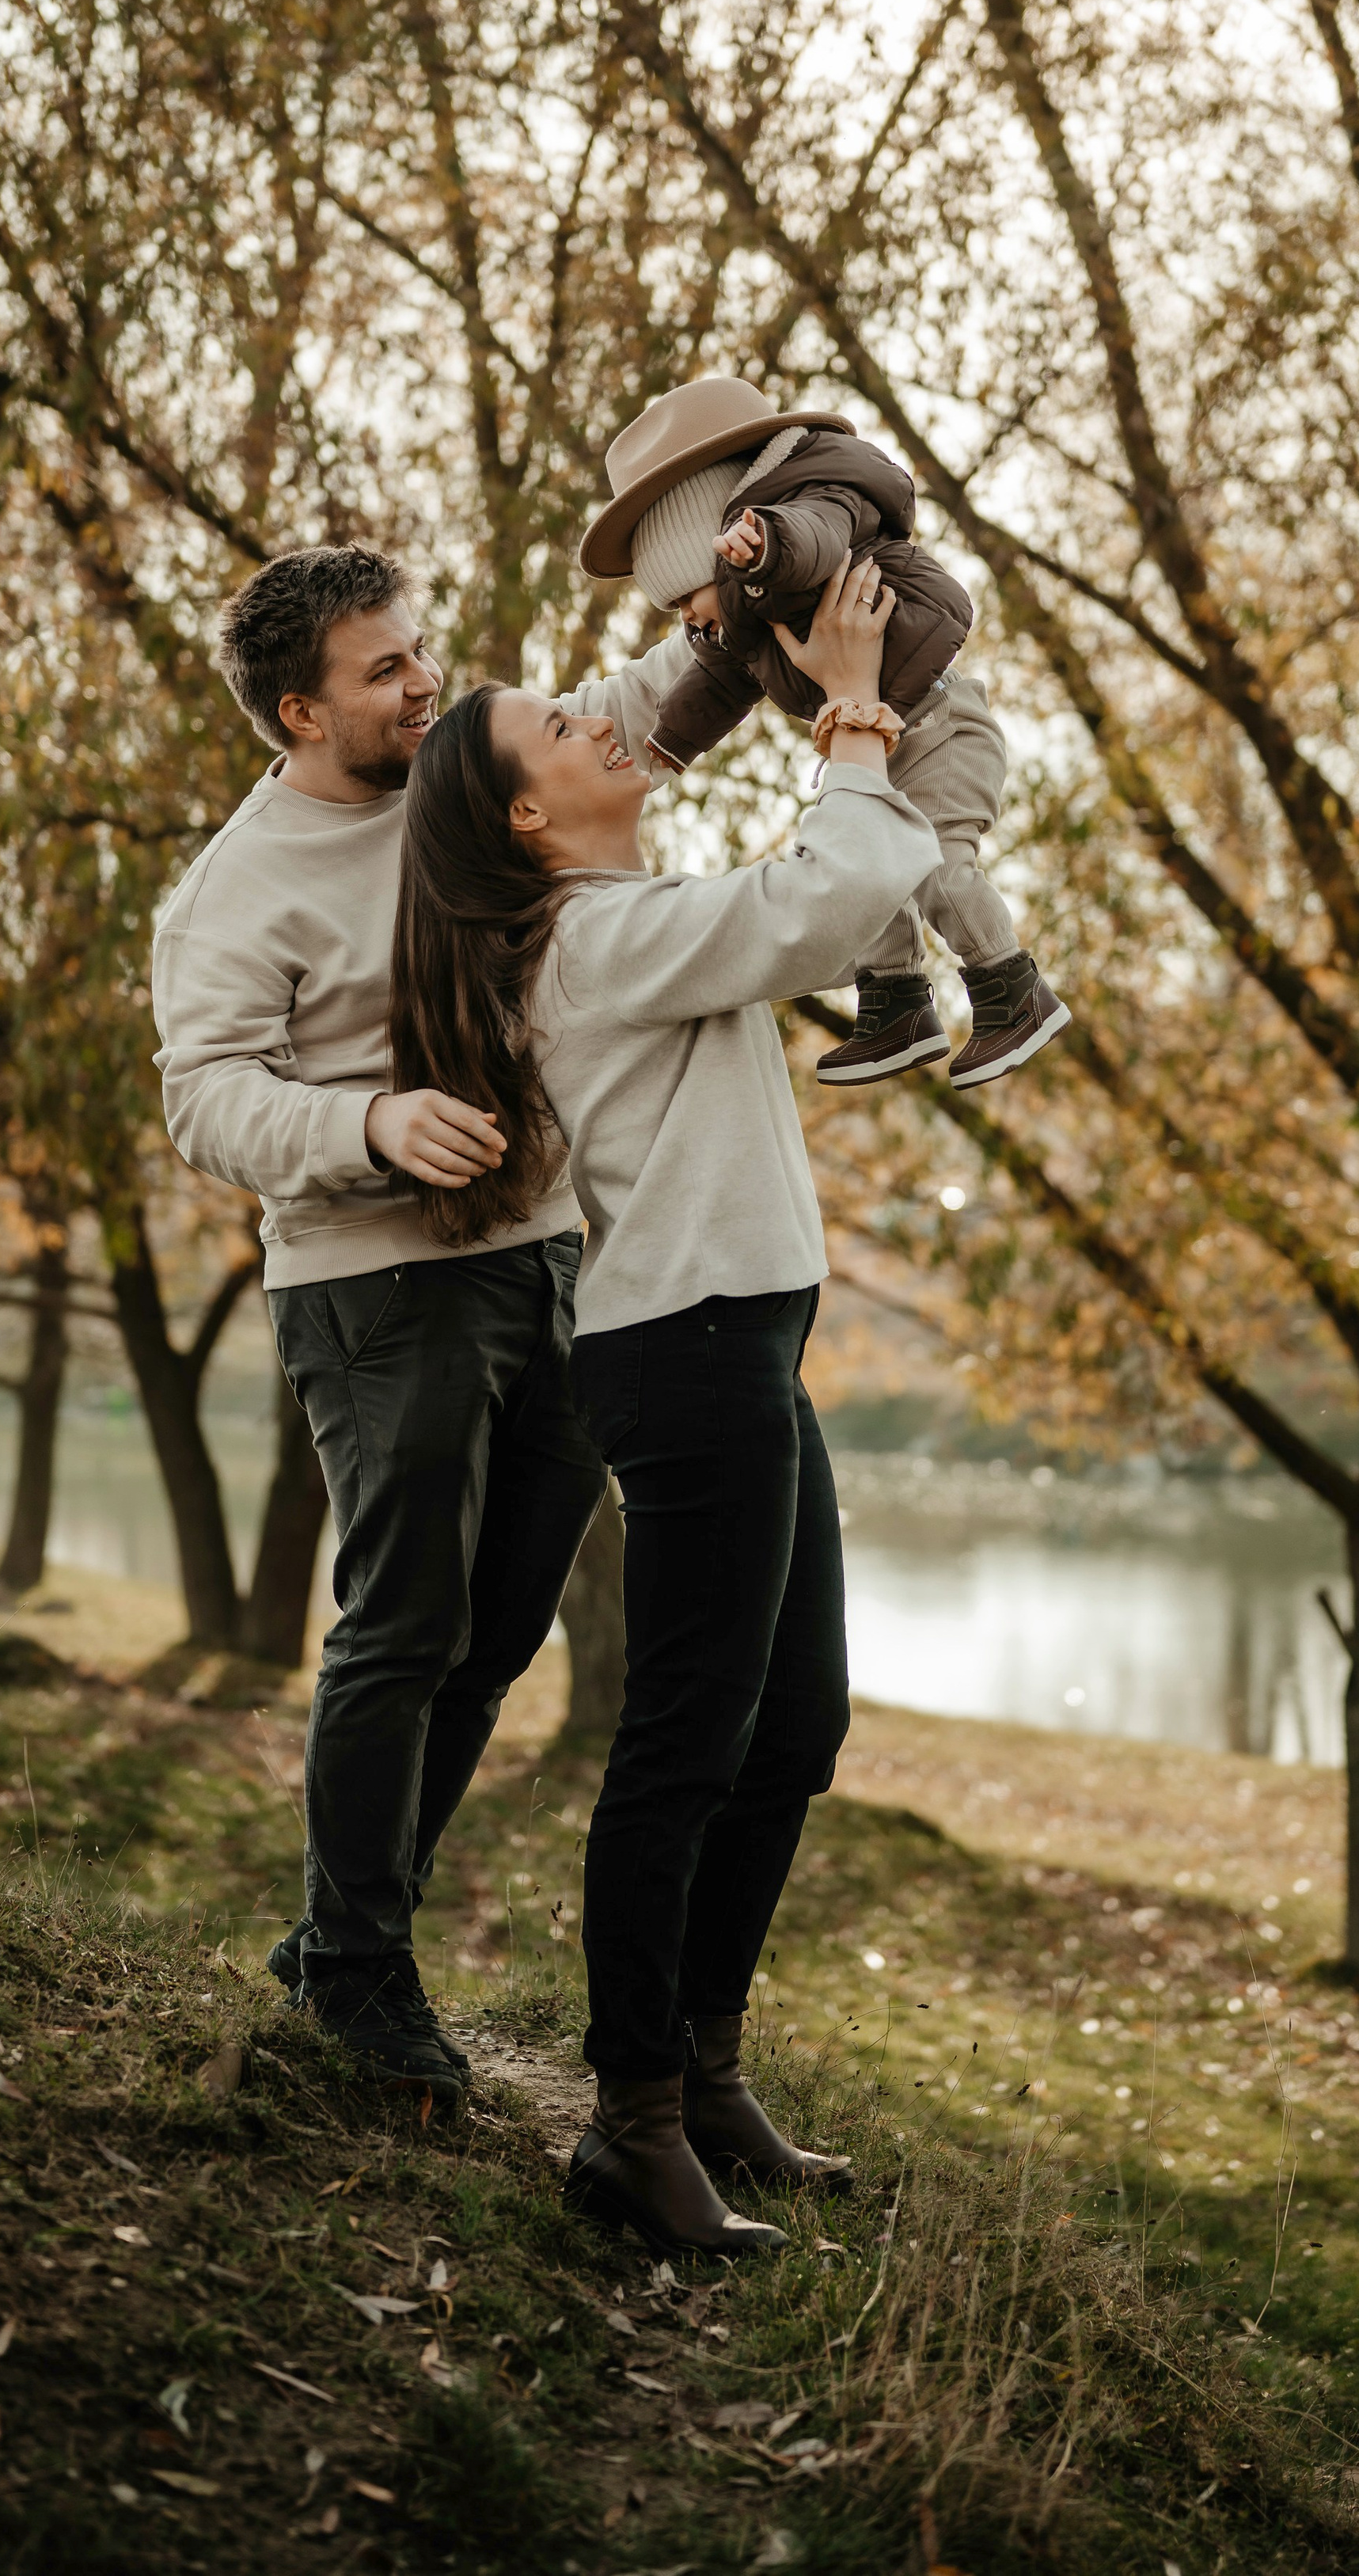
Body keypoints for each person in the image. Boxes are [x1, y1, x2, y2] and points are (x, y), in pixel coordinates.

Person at [390, 553, 940, 2255]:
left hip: (744, 1342)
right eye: (554, 725)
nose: (596, 716)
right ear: (526, 821)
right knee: (686, 1741)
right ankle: (626, 2120)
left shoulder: (619, 915)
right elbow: (824, 901)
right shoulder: (589, 941)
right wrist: (848, 712)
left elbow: (792, 880)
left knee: (794, 1730)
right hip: (684, 1352)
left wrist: (725, 629)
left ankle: (701, 2074)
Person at [150, 543, 693, 2110]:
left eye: (417, 648)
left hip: (541, 1256)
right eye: (382, 668)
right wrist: (369, 1124)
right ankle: (361, 1976)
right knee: (400, 1626)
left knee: (502, 1623)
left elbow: (628, 717)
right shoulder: (236, 889)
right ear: (293, 710)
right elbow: (202, 1096)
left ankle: (340, 1923)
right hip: (374, 1286)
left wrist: (733, 613)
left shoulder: (453, 783)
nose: (419, 681)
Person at [579, 373, 1069, 1090]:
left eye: (688, 596)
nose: (687, 621)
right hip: (887, 739)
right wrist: (668, 744)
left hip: (941, 729)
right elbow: (711, 685)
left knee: (936, 867)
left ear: (721, 543)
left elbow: (811, 540)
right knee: (866, 866)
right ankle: (897, 1002)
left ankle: (1010, 987)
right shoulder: (746, 631)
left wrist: (764, 548)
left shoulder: (821, 509)